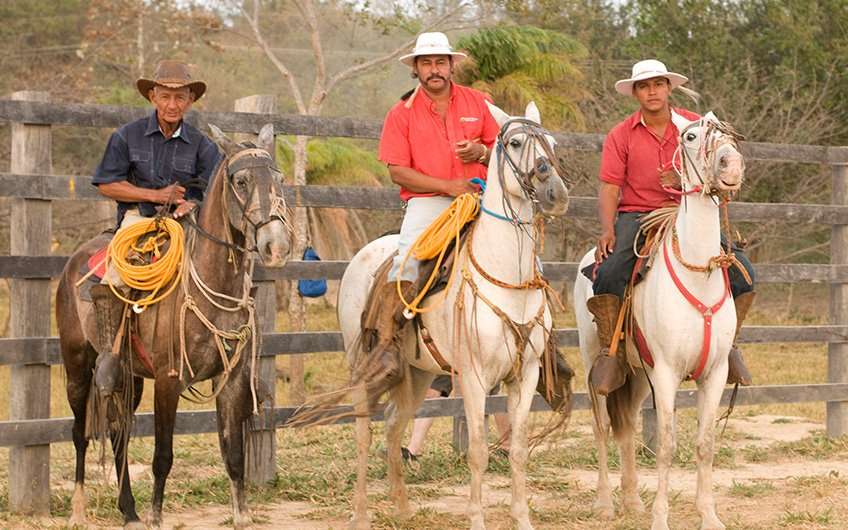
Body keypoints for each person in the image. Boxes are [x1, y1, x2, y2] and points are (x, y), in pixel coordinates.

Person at [585, 59, 756, 396]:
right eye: (645, 86)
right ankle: (612, 350)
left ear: (668, 88)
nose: (652, 91)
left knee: (743, 272)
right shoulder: (621, 134)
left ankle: (728, 345)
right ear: (635, 92)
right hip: (639, 214)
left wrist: (681, 180)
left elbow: (715, 172)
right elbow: (608, 187)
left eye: (658, 84)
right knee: (609, 272)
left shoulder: (695, 126)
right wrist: (608, 229)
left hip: (689, 212)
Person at [369, 32, 499, 390]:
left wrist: (482, 153)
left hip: (480, 197)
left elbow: (503, 148)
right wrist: (446, 186)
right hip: (430, 201)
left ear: (451, 65)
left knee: (520, 252)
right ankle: (387, 344)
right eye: (426, 63)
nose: (434, 69)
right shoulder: (400, 114)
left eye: (440, 61)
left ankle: (540, 343)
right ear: (415, 69)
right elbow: (397, 171)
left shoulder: (479, 103)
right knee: (407, 259)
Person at [89, 59, 221, 394]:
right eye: (165, 96)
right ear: (153, 96)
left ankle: (226, 348)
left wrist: (194, 203)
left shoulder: (203, 145)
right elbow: (107, 184)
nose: (172, 105)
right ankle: (110, 353)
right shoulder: (127, 136)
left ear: (190, 100)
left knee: (220, 270)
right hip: (138, 220)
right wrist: (155, 194)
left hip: (186, 224)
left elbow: (216, 188)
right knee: (115, 275)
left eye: (180, 97)